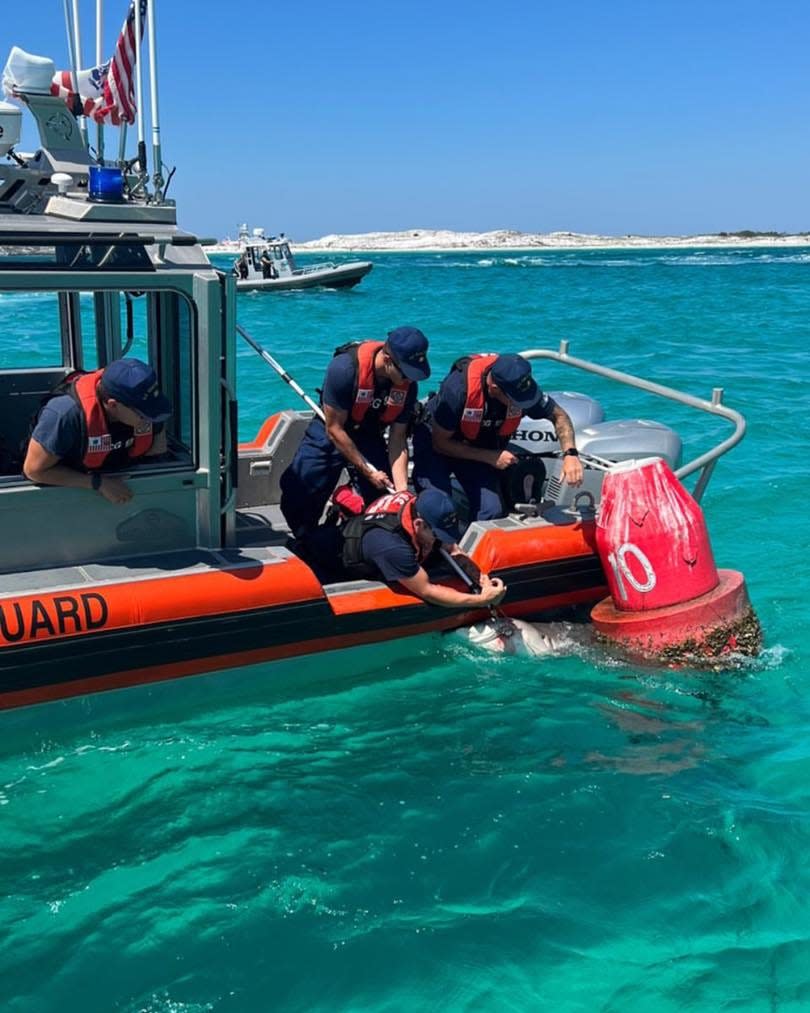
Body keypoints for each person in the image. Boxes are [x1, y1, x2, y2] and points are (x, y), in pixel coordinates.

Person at [279, 326, 431, 538]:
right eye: (406, 373)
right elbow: (334, 429)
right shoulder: (344, 370)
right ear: (388, 360)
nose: (409, 380)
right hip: (332, 428)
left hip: (369, 434)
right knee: (300, 491)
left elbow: (397, 439)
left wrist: (401, 491)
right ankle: (306, 536)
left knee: (380, 497)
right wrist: (367, 471)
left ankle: (349, 513)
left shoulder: (407, 387)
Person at [413, 353, 584, 520]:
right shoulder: (457, 390)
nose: (521, 404)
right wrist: (491, 457)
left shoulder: (522, 387)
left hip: (476, 449)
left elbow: (559, 416)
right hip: (438, 443)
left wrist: (570, 454)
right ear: (494, 388)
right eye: (515, 400)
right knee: (438, 509)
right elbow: (440, 443)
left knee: (491, 512)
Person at [303, 487, 506, 609]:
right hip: (321, 564)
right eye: (437, 535)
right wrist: (479, 600)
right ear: (418, 525)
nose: (441, 540)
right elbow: (427, 590)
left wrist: (480, 578)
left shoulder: (421, 508)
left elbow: (452, 549)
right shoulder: (392, 547)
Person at [22, 357, 172, 505]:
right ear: (113, 405)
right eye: (143, 414)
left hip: (123, 478)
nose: (151, 419)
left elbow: (157, 452)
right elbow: (34, 471)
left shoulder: (147, 409)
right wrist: (98, 484)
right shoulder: (63, 416)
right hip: (73, 486)